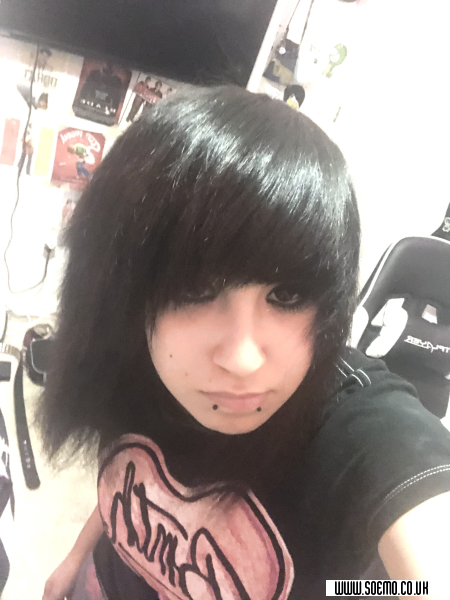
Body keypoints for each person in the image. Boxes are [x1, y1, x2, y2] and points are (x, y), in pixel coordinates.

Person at [40, 86, 450, 600]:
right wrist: (77, 556)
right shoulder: (137, 356)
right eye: (194, 290)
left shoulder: (352, 422)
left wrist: (354, 591)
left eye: (287, 295)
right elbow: (138, 476)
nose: (242, 360)